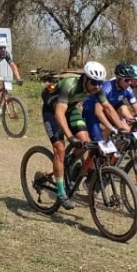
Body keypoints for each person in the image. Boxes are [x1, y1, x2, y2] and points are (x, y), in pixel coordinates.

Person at [41, 62, 109, 209]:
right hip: (52, 110)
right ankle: (61, 193)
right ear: (85, 79)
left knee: (86, 142)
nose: (96, 86)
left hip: (69, 108)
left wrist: (117, 128)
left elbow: (107, 107)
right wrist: (70, 137)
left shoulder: (97, 88)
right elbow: (59, 113)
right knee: (59, 148)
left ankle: (69, 164)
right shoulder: (69, 85)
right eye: (94, 82)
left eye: (99, 83)